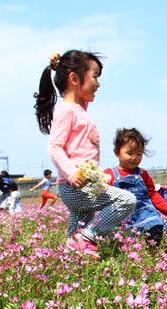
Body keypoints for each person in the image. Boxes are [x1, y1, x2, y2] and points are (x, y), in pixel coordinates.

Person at [35, 49, 136, 259]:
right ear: (74, 78)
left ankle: (72, 258)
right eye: (95, 77)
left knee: (78, 222)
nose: (98, 84)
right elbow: (54, 146)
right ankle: (88, 237)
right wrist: (72, 173)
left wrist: (59, 66)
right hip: (76, 185)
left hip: (80, 185)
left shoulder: (80, 108)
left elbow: (82, 94)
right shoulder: (67, 111)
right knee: (126, 200)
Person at [104, 128, 167, 247]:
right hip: (120, 215)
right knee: (119, 240)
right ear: (117, 152)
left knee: (155, 224)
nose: (134, 157)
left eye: (139, 154)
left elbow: (153, 194)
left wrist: (166, 208)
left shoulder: (143, 174)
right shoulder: (109, 174)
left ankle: (154, 248)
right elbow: (101, 195)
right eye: (129, 153)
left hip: (144, 212)